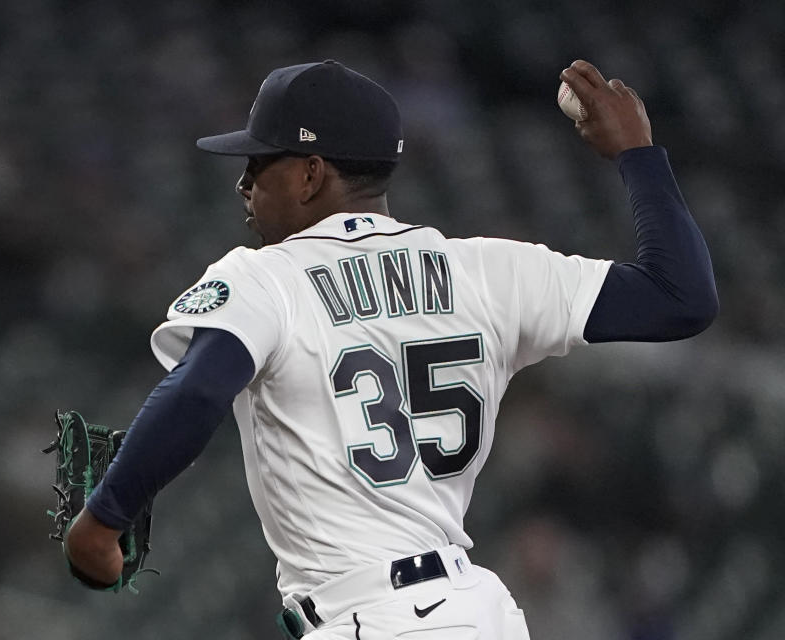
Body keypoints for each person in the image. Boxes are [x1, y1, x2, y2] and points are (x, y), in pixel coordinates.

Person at [64, 59, 718, 639]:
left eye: (258, 164)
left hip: (372, 618)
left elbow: (199, 389)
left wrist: (104, 519)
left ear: (312, 173)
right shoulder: (488, 272)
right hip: (478, 612)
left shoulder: (268, 277)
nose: (244, 185)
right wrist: (639, 154)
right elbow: (680, 297)